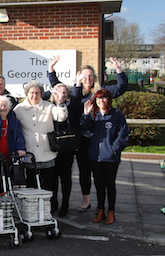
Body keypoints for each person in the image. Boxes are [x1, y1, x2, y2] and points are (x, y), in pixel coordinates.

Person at [48, 55, 128, 212]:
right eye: (85, 76)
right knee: (77, 170)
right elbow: (57, 87)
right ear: (79, 76)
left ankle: (88, 201)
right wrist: (51, 69)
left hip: (93, 138)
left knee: (89, 171)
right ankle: (86, 200)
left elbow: (121, 88)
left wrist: (119, 71)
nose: (88, 78)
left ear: (95, 77)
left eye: (91, 76)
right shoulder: (73, 91)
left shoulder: (100, 92)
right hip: (73, 138)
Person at [14, 80, 68, 211]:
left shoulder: (49, 106)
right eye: (31, 93)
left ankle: (49, 209)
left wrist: (60, 103)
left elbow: (61, 116)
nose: (34, 95)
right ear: (27, 94)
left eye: (37, 93)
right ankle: (33, 211)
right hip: (30, 154)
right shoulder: (19, 109)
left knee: (49, 185)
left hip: (47, 153)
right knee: (32, 186)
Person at [81, 89, 129, 225]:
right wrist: (85, 114)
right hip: (95, 156)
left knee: (110, 184)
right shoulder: (93, 114)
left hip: (110, 158)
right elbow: (84, 128)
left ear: (109, 100)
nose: (101, 101)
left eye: (104, 98)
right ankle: (100, 209)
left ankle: (111, 211)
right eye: (99, 99)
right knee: (99, 184)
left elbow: (123, 134)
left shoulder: (117, 115)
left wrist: (115, 149)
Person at [49, 78, 82, 216]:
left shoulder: (71, 106)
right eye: (58, 92)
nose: (61, 94)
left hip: (67, 148)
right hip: (52, 147)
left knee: (65, 178)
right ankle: (53, 202)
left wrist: (78, 84)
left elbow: (77, 96)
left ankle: (65, 204)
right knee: (52, 178)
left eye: (64, 92)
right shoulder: (48, 106)